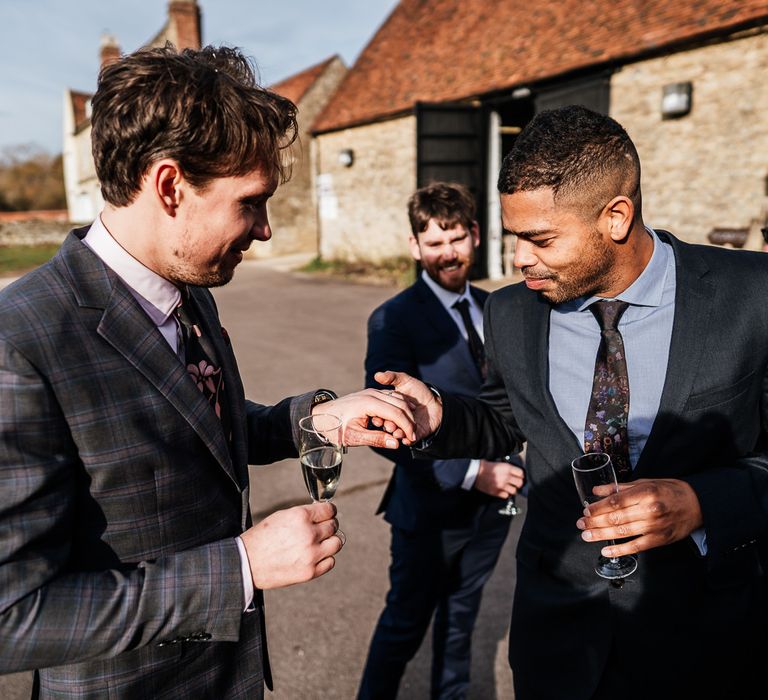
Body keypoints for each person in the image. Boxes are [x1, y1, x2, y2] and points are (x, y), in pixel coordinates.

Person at [0, 45, 415, 699]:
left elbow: (195, 429)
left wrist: (311, 420)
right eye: (250, 202)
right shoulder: (19, 340)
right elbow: (13, 618)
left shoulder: (190, 287)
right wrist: (241, 568)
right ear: (169, 187)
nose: (267, 229)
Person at [376, 105, 768, 699]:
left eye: (540, 239)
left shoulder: (752, 295)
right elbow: (505, 418)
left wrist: (700, 502)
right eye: (514, 238)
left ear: (615, 217)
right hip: (557, 635)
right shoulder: (511, 312)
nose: (518, 260)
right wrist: (440, 415)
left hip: (708, 632)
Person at [357, 183, 524, 700]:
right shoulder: (393, 319)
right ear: (415, 246)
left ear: (475, 235)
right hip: (430, 506)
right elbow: (387, 427)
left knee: (460, 624)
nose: (447, 252)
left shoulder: (497, 307)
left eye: (456, 238)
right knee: (404, 627)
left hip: (492, 513)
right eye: (434, 243)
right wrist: (478, 472)